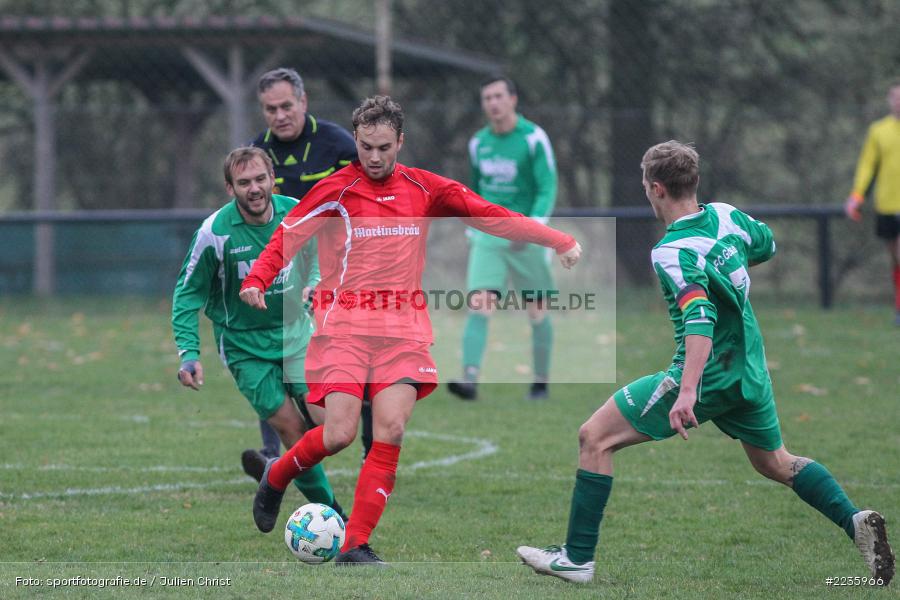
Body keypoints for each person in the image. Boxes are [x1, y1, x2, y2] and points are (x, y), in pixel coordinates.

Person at [517, 141, 894, 585]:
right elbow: (766, 244)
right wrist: (725, 266)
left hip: (707, 372)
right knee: (774, 462)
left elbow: (700, 316)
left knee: (594, 437)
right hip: (749, 368)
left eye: (645, 185)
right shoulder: (727, 216)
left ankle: (577, 559)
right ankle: (854, 521)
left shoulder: (671, 250)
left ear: (657, 189)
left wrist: (688, 390)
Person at [239, 95, 582, 565]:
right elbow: (289, 233)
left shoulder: (424, 187)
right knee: (338, 433)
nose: (374, 157)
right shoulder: (336, 190)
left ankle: (355, 545)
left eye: (384, 147)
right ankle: (277, 475)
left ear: (400, 141)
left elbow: (489, 213)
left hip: (402, 330)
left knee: (392, 429)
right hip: (345, 327)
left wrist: (557, 239)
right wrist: (257, 279)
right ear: (355, 141)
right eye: (365, 147)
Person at [172, 146, 346, 521]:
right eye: (243, 182)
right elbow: (187, 293)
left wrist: (316, 283)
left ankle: (274, 473)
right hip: (244, 346)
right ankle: (335, 516)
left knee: (334, 426)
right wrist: (189, 353)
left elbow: (321, 257)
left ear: (272, 179)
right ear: (229, 188)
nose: (254, 188)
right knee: (291, 429)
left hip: (297, 334)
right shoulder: (215, 233)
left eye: (260, 179)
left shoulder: (297, 212)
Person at [246, 67, 374, 474]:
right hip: (285, 270)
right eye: (270, 109)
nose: (279, 115)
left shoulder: (338, 145)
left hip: (340, 267)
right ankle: (273, 455)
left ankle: (372, 448)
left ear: (303, 102)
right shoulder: (257, 153)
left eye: (286, 105)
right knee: (274, 354)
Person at [447, 76, 559, 401]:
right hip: (489, 236)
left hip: (527, 234)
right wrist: (472, 226)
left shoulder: (533, 138)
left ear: (513, 99)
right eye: (487, 98)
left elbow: (547, 187)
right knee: (479, 303)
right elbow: (474, 189)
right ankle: (469, 379)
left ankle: (540, 382)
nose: (493, 103)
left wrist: (535, 228)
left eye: (498, 96)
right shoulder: (478, 143)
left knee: (537, 309)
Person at [845, 82, 900, 326]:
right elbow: (867, 166)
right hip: (886, 205)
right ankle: (898, 307)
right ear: (889, 100)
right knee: (895, 259)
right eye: (895, 97)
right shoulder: (878, 131)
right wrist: (857, 197)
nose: (899, 101)